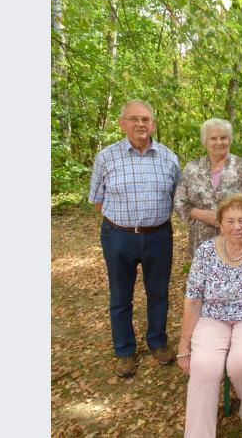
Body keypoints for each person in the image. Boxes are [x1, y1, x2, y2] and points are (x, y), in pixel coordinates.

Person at [88, 99, 180, 378]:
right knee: (120, 295)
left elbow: (178, 197)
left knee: (158, 293)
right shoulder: (106, 157)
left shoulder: (169, 157)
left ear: (153, 124)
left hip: (159, 236)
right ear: (122, 123)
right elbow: (97, 200)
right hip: (119, 236)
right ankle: (125, 351)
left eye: (145, 119)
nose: (140, 124)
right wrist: (126, 224)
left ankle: (157, 342)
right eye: (133, 119)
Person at [177, 194, 242, 438]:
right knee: (204, 368)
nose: (237, 227)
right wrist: (183, 344)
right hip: (213, 316)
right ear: (219, 224)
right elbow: (193, 299)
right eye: (230, 221)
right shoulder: (205, 252)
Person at [174, 118, 242, 255]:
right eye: (213, 138)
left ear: (230, 140)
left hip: (236, 239)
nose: (219, 142)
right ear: (205, 141)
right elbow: (179, 202)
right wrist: (202, 214)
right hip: (201, 243)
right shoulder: (191, 168)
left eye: (223, 138)